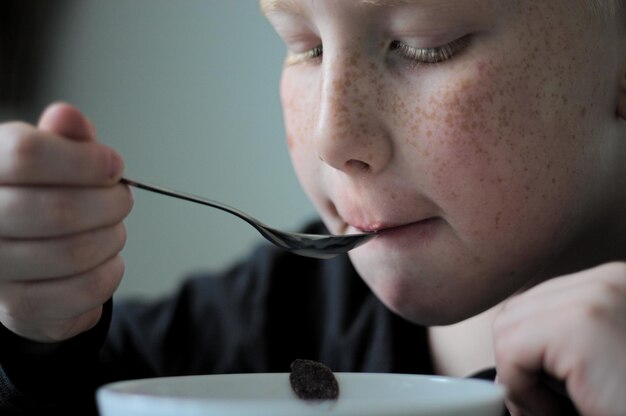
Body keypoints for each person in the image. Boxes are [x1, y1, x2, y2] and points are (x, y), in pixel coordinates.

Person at [0, 0, 624, 415]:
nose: (332, 136)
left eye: (426, 45)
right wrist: (40, 336)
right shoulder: (276, 312)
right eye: (303, 46)